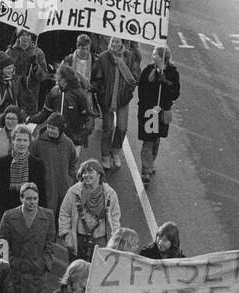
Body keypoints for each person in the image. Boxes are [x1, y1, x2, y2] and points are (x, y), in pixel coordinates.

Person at [0, 182, 57, 293]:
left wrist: (45, 263)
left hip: (37, 275)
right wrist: (10, 264)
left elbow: (50, 243)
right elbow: (2, 244)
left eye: (35, 198)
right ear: (21, 198)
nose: (32, 202)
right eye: (28, 198)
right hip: (16, 274)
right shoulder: (9, 216)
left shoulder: (47, 216)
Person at [0, 124, 48, 234]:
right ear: (13, 141)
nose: (22, 143)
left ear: (29, 142)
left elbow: (42, 193)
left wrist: (43, 220)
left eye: (25, 140)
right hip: (2, 217)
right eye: (19, 140)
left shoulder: (37, 165)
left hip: (28, 217)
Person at [58, 159, 121, 263]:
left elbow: (115, 216)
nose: (86, 175)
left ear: (99, 174)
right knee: (77, 271)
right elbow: (65, 213)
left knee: (97, 271)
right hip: (79, 238)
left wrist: (114, 237)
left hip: (100, 240)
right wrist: (66, 235)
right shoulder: (74, 192)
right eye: (84, 172)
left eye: (90, 172)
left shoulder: (110, 194)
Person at [92, 38, 139, 170]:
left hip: (123, 99)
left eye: (117, 42)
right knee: (108, 129)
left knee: (122, 128)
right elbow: (96, 78)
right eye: (113, 42)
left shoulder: (129, 57)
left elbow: (135, 75)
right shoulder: (103, 58)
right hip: (107, 100)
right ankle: (105, 156)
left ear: (122, 43)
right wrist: (101, 92)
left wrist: (129, 91)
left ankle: (116, 152)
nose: (114, 44)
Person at [137, 44, 180, 187]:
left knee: (156, 139)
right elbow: (142, 91)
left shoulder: (173, 73)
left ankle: (151, 162)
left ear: (163, 58)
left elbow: (175, 94)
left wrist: (165, 82)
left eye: (155, 54)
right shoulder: (148, 71)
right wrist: (151, 106)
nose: (152, 56)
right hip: (150, 112)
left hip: (163, 112)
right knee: (148, 140)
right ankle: (146, 170)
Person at [36, 64, 95, 155]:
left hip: (74, 139)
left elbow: (89, 116)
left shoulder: (79, 94)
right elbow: (45, 113)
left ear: (66, 79)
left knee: (71, 166)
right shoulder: (54, 92)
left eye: (58, 77)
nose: (56, 79)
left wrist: (82, 134)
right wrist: (29, 119)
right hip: (54, 137)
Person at [31, 113, 78, 218]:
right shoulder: (37, 143)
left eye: (53, 128)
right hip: (44, 186)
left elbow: (73, 162)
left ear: (60, 129)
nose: (50, 130)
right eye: (48, 127)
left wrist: (69, 179)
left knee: (63, 215)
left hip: (63, 187)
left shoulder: (68, 143)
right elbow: (31, 162)